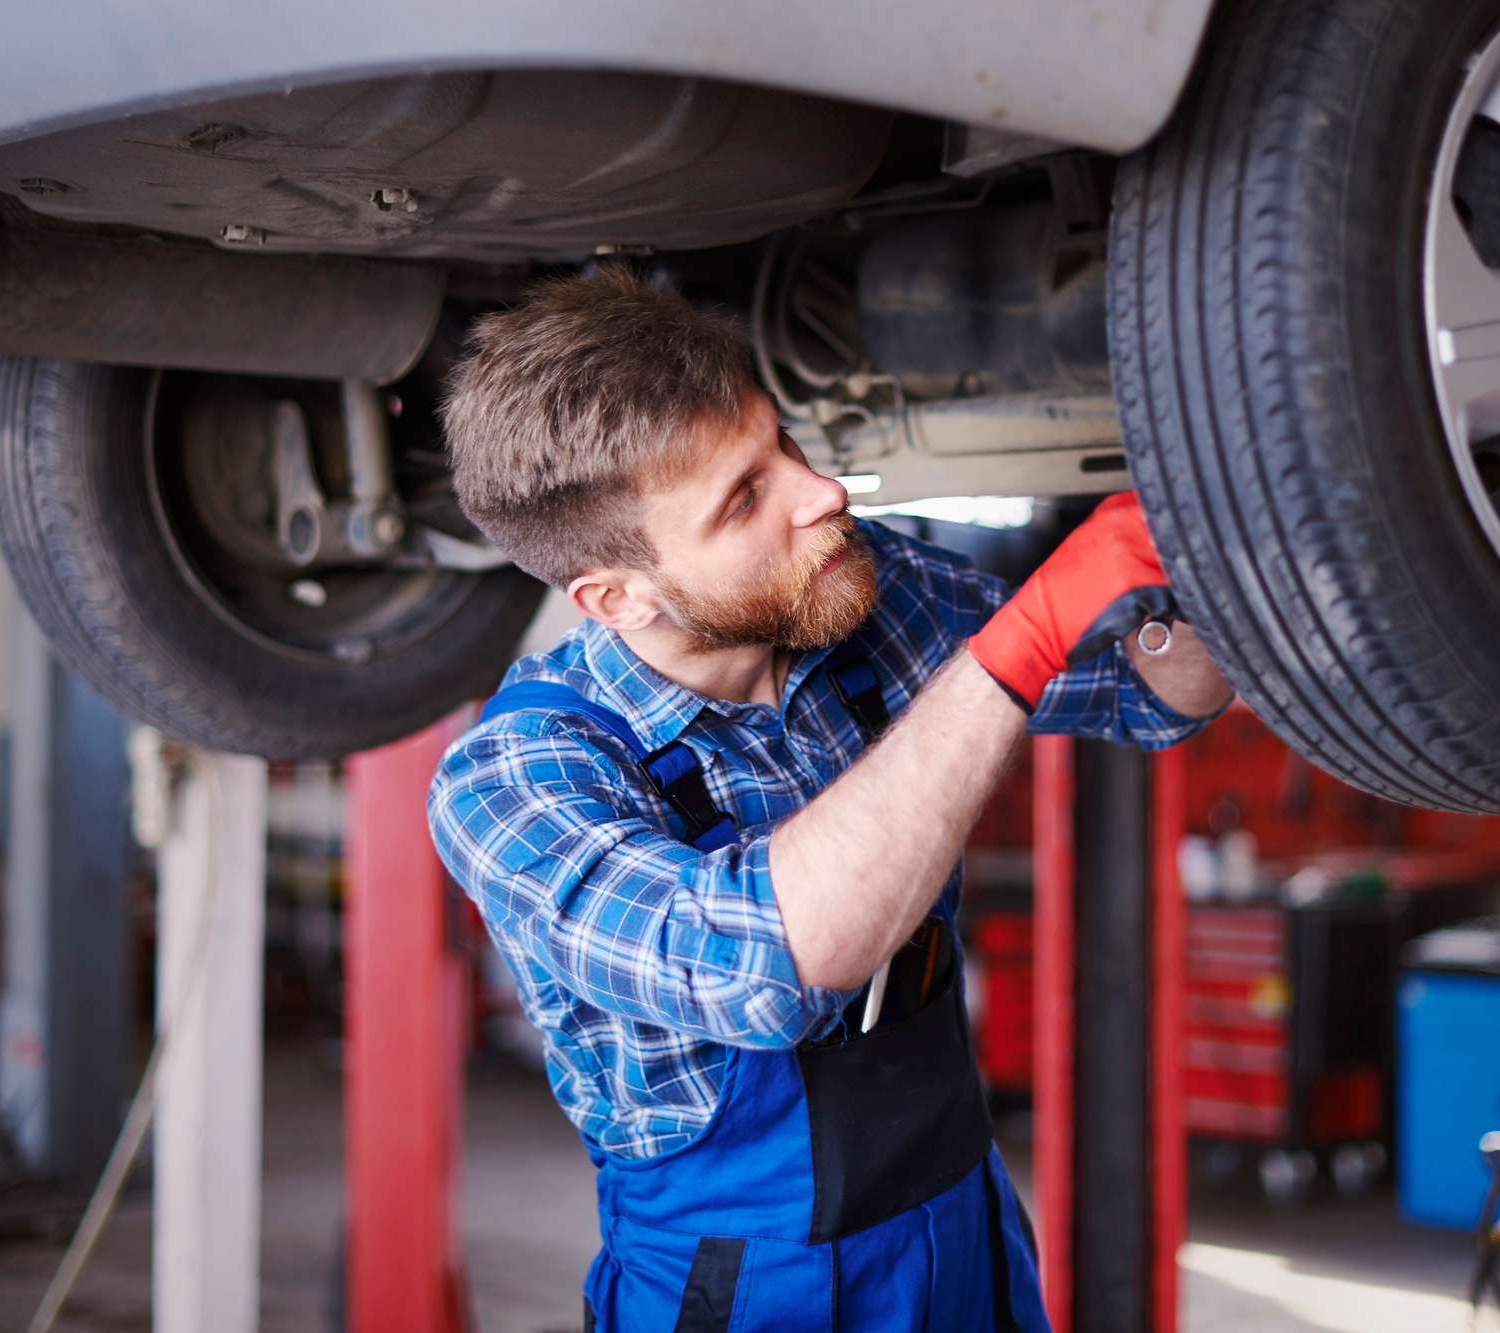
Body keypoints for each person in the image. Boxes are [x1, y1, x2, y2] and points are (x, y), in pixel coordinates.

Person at [428, 267, 1233, 1332]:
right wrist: (1013, 651)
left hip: (957, 1225)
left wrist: (1214, 571)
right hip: (744, 1283)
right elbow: (762, 961)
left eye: (782, 447)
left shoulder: (853, 590)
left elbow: (1149, 694)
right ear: (616, 597)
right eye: (743, 498)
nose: (824, 496)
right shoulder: (515, 781)